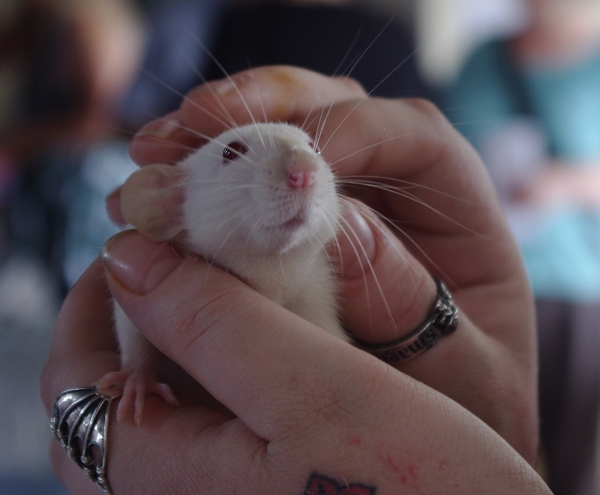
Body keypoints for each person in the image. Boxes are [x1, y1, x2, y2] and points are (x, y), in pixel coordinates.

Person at [40, 66, 549, 494]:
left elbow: (337, 364)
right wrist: (138, 370)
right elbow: (132, 310)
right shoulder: (174, 248)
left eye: (313, 149)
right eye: (234, 153)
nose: (303, 169)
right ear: (172, 200)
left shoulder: (319, 273)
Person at [443, 0, 600, 492]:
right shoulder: (482, 60)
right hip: (486, 284)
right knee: (492, 450)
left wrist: (565, 182)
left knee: (579, 460)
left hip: (579, 290)